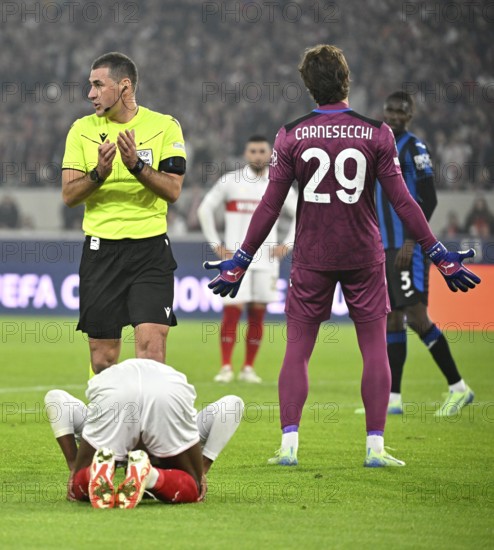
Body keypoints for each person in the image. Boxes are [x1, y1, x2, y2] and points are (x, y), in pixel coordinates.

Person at [204, 45, 480, 468]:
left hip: (312, 255)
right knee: (374, 347)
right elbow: (406, 203)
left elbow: (270, 206)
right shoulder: (377, 133)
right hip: (364, 254)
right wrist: (438, 254)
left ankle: (289, 446)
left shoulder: (291, 134)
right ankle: (374, 448)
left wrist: (241, 258)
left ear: (309, 87)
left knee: (297, 349)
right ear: (346, 80)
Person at [61, 52, 186, 374]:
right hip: (101, 250)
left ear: (124, 86)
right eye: (91, 85)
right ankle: (106, 422)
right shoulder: (81, 130)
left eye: (98, 85)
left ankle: (149, 426)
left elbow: (172, 191)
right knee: (103, 358)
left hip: (150, 250)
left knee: (152, 350)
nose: (90, 93)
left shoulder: (165, 127)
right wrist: (99, 173)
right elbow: (69, 195)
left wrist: (137, 166)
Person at [355, 91, 473, 417]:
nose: (393, 116)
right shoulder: (378, 144)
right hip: (384, 247)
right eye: (390, 110)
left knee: (417, 317)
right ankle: (392, 399)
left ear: (410, 115)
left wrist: (410, 241)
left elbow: (429, 199)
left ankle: (458, 388)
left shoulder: (414, 148)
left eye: (400, 112)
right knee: (392, 317)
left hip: (408, 249)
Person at [44, 358, 244, 508]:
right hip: (168, 390)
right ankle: (151, 476)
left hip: (115, 388)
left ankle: (93, 471)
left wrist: (73, 466)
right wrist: (202, 469)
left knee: (80, 486)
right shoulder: (187, 425)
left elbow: (56, 399)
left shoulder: (97, 419)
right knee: (193, 489)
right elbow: (233, 405)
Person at [198, 136, 297, 383]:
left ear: (270, 154)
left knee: (258, 313)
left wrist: (288, 244)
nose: (257, 155)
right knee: (232, 311)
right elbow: (204, 209)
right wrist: (216, 245)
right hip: (235, 259)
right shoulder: (231, 181)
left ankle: (248, 368)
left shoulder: (279, 182)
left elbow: (301, 213)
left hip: (266, 260)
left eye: (262, 151)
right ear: (245, 153)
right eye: (253, 150)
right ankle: (226, 367)